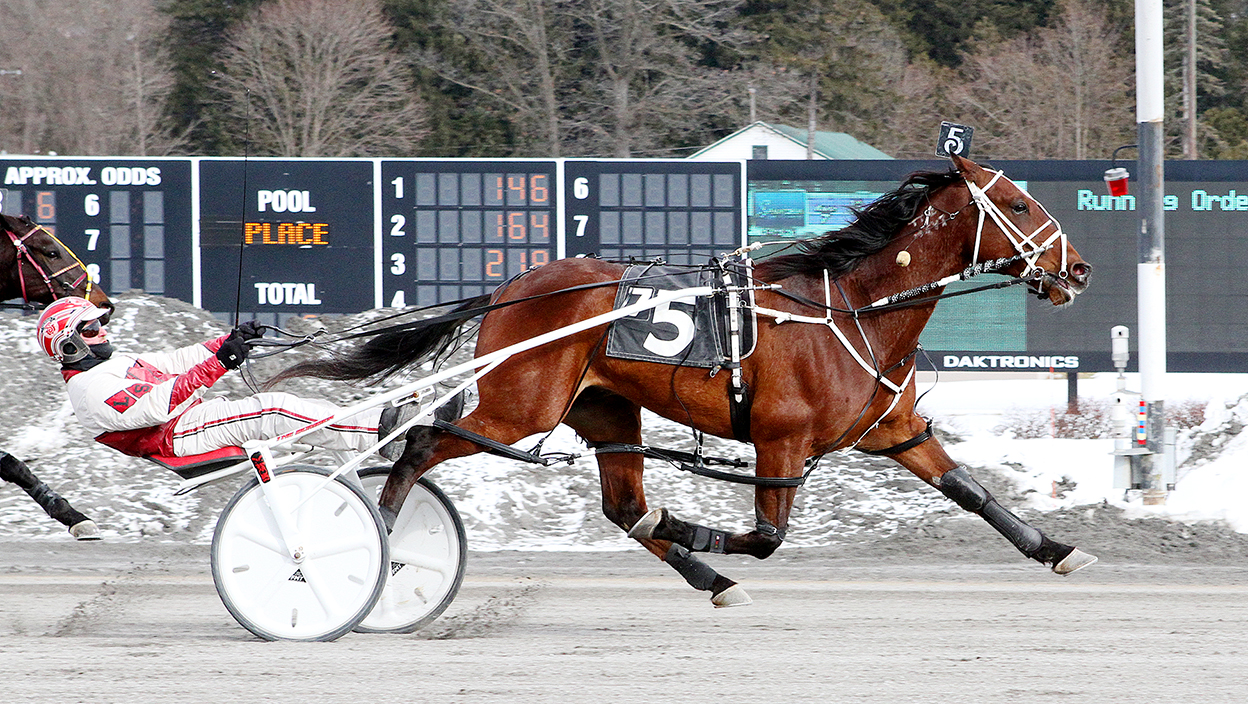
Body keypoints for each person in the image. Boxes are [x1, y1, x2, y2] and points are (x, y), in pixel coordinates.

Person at [36, 297, 427, 461]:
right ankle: (382, 432)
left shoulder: (112, 364)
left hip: (188, 422)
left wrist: (228, 341)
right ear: (68, 345)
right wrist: (219, 364)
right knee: (274, 409)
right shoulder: (89, 389)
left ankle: (377, 431)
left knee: (289, 406)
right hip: (175, 437)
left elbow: (176, 360)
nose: (102, 331)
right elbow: (156, 404)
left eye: (100, 324)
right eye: (89, 330)